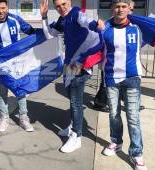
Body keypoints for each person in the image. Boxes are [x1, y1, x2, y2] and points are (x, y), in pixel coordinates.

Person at [40, 0, 102, 153]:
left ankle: (76, 136)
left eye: (64, 4)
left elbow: (87, 22)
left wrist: (97, 24)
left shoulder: (76, 14)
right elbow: (49, 35)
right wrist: (44, 17)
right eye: (58, 6)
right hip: (70, 64)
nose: (61, 8)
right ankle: (73, 126)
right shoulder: (63, 19)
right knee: (71, 96)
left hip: (80, 64)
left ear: (69, 2)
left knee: (75, 101)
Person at [101, 1, 147, 170]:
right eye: (116, 6)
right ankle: (116, 142)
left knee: (133, 118)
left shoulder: (139, 27)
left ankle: (136, 153)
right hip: (112, 77)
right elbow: (93, 45)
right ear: (112, 9)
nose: (120, 9)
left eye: (123, 6)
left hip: (132, 78)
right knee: (114, 114)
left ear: (130, 8)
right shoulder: (105, 29)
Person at [0, 0, 35, 132]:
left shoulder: (15, 19)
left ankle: (23, 118)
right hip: (1, 64)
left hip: (17, 63)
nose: (1, 11)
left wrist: (44, 35)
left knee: (20, 90)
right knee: (3, 92)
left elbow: (30, 31)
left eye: (3, 8)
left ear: (7, 7)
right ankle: (4, 118)